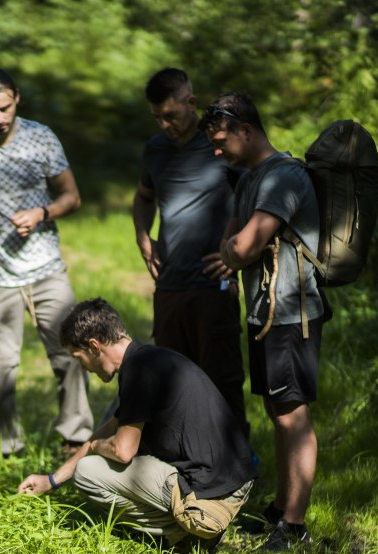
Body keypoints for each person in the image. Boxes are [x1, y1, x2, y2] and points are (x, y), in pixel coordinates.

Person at [17, 298, 255, 552]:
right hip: (232, 482)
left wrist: (97, 446)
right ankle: (188, 528)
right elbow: (112, 426)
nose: (83, 368)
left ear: (94, 346)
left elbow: (122, 450)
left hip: (211, 498)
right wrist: (52, 480)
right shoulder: (148, 359)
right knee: (106, 450)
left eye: (79, 358)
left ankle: (187, 535)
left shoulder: (138, 371)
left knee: (87, 472)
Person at [0, 67, 93, 456]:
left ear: (17, 99)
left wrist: (41, 214)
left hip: (46, 267)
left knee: (72, 352)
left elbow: (71, 197)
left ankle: (75, 438)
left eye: (4, 108)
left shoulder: (41, 137)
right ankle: (4, 447)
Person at [201, 91, 324, 551]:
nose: (217, 150)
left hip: (293, 314)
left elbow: (243, 245)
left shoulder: (283, 177)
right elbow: (231, 240)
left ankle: (294, 526)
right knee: (277, 411)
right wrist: (233, 250)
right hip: (265, 313)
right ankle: (280, 510)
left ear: (246, 130)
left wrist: (233, 252)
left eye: (221, 140)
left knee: (293, 415)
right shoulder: (250, 178)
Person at [132, 68, 249, 439]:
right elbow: (143, 197)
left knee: (222, 381)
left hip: (212, 285)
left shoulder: (221, 143)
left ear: (191, 103)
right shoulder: (155, 150)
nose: (165, 124)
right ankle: (187, 464)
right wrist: (142, 236)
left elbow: (256, 197)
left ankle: (239, 464)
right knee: (171, 381)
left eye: (172, 115)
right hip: (169, 287)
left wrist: (235, 253)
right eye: (157, 118)